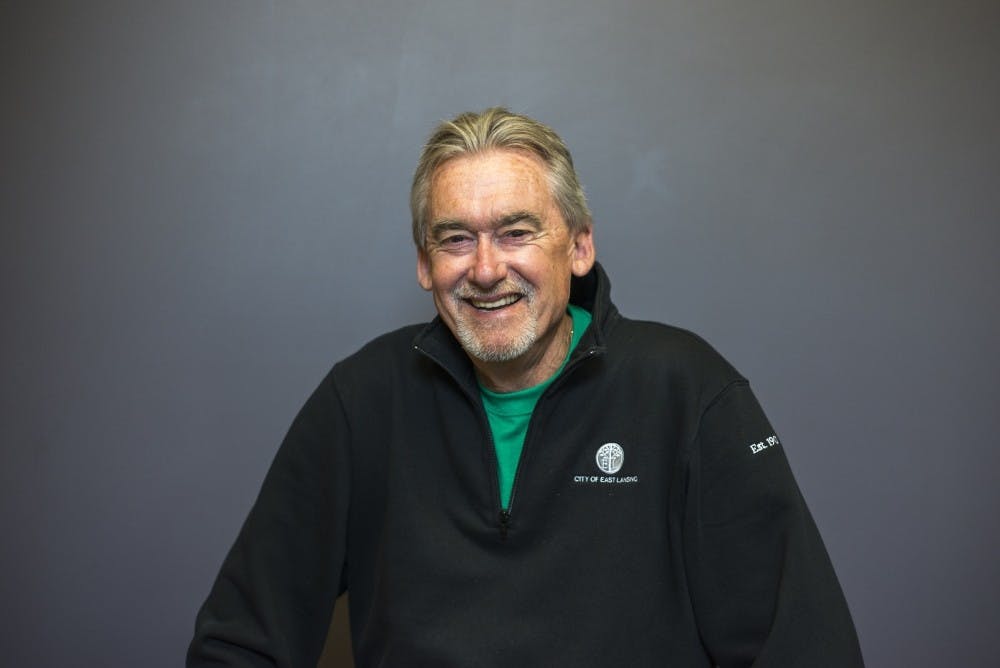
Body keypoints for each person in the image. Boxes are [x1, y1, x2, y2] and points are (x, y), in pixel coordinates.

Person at [188, 108, 864, 667]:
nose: (486, 269)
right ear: (425, 265)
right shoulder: (362, 402)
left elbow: (803, 648)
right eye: (455, 239)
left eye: (516, 232)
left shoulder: (686, 391)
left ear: (578, 246)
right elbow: (238, 644)